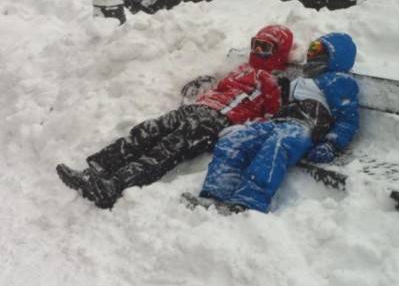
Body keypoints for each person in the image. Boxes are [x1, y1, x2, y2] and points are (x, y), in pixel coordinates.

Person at [56, 25, 294, 209]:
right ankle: (96, 169)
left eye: (266, 48)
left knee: (166, 149)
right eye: (256, 44)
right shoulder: (242, 69)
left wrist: (238, 127)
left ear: (279, 53)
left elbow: (271, 117)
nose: (258, 52)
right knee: (146, 131)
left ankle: (113, 186)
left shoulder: (273, 81)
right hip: (196, 109)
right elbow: (220, 89)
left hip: (216, 121)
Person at [197, 32, 359, 214]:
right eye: (312, 47)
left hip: (304, 127)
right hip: (279, 122)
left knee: (276, 146)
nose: (312, 53)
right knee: (235, 140)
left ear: (337, 56)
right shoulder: (305, 78)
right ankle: (216, 193)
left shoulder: (339, 81)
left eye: (319, 49)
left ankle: (249, 200)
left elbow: (348, 120)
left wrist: (332, 143)